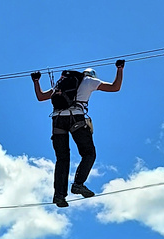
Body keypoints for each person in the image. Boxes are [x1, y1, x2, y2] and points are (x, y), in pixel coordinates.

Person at [31, 60, 124, 207]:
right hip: (76, 119)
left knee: (62, 159)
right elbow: (115, 87)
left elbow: (41, 97)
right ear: (92, 75)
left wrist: (36, 81)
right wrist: (120, 69)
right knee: (89, 153)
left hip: (57, 120)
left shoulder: (60, 85)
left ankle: (59, 196)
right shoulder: (89, 81)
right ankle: (78, 184)